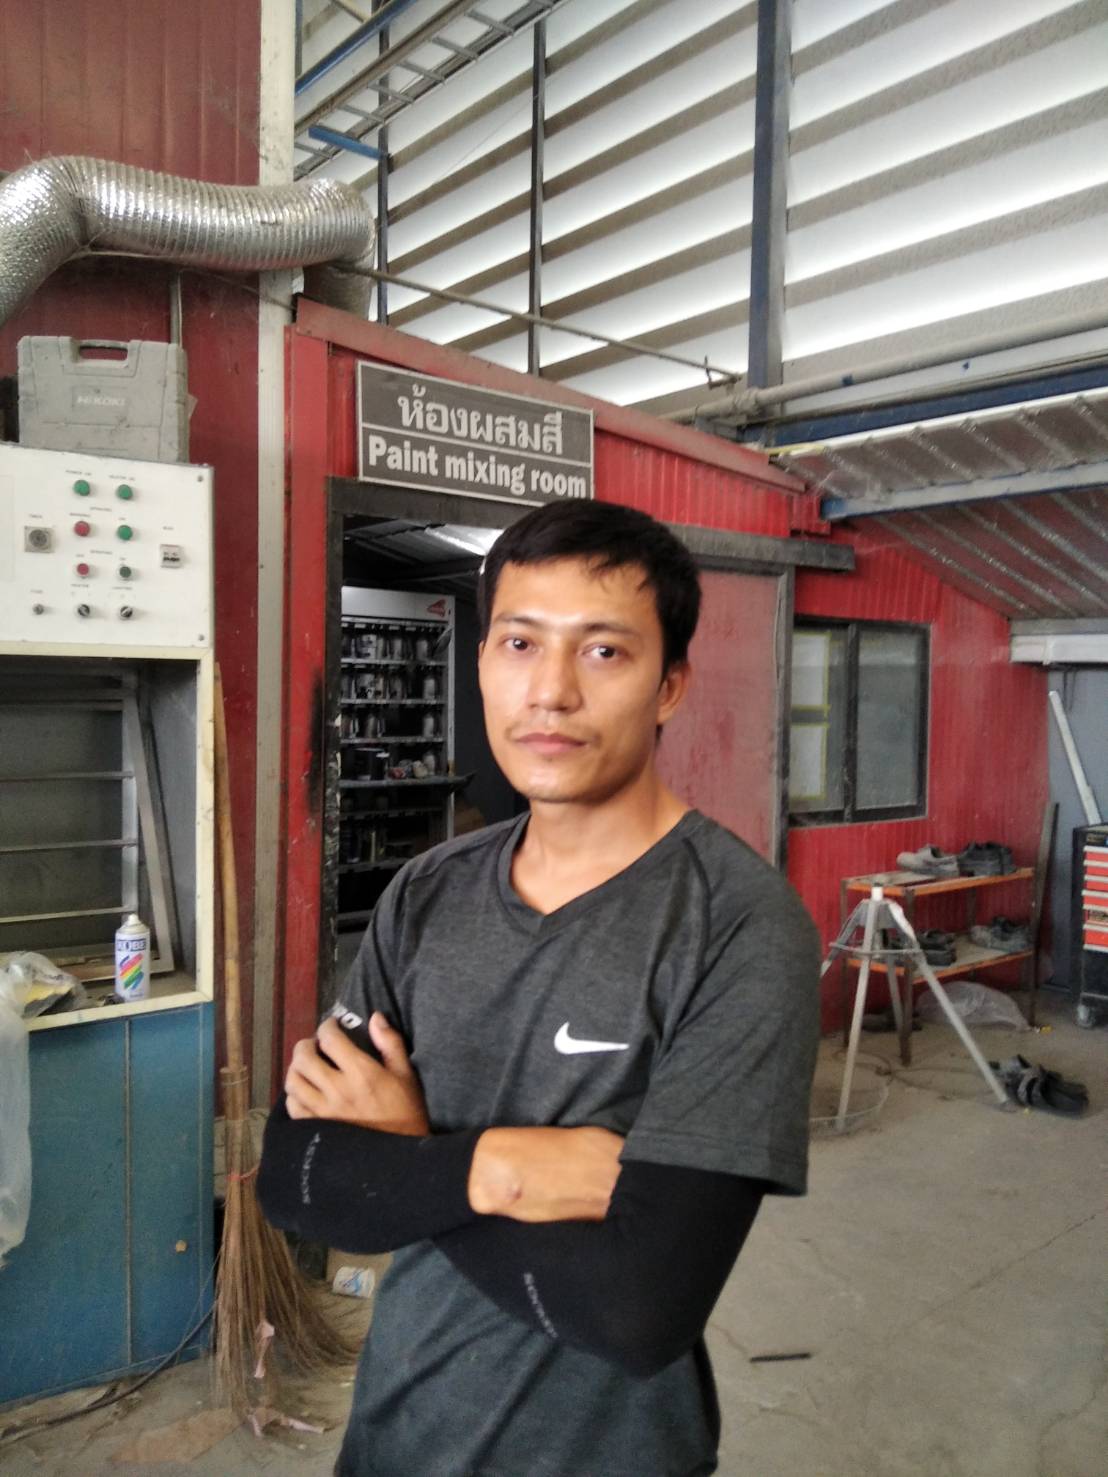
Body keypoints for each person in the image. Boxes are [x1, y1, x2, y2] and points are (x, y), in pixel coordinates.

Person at [258, 499, 821, 1477]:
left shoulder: (737, 926)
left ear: (670, 685)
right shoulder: (426, 893)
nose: (551, 691)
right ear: (482, 662)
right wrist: (496, 1168)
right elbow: (296, 1176)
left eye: (603, 651)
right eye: (520, 643)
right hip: (392, 1438)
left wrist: (405, 1158)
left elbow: (635, 1308)